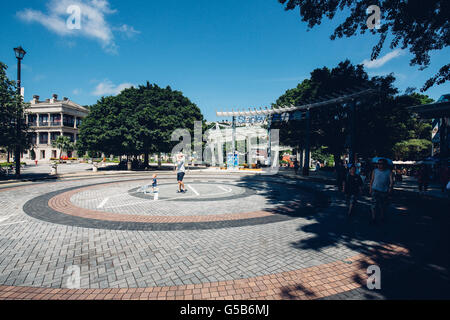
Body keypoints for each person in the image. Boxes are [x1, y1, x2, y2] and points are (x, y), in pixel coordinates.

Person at [369, 158, 394, 224]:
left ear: (385, 164)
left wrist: (390, 188)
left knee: (382, 205)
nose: (379, 165)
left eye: (381, 164)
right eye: (378, 164)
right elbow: (372, 180)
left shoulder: (389, 172)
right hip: (375, 190)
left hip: (384, 191)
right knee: (373, 205)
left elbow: (392, 181)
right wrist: (370, 188)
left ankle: (382, 217)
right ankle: (373, 218)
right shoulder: (375, 171)